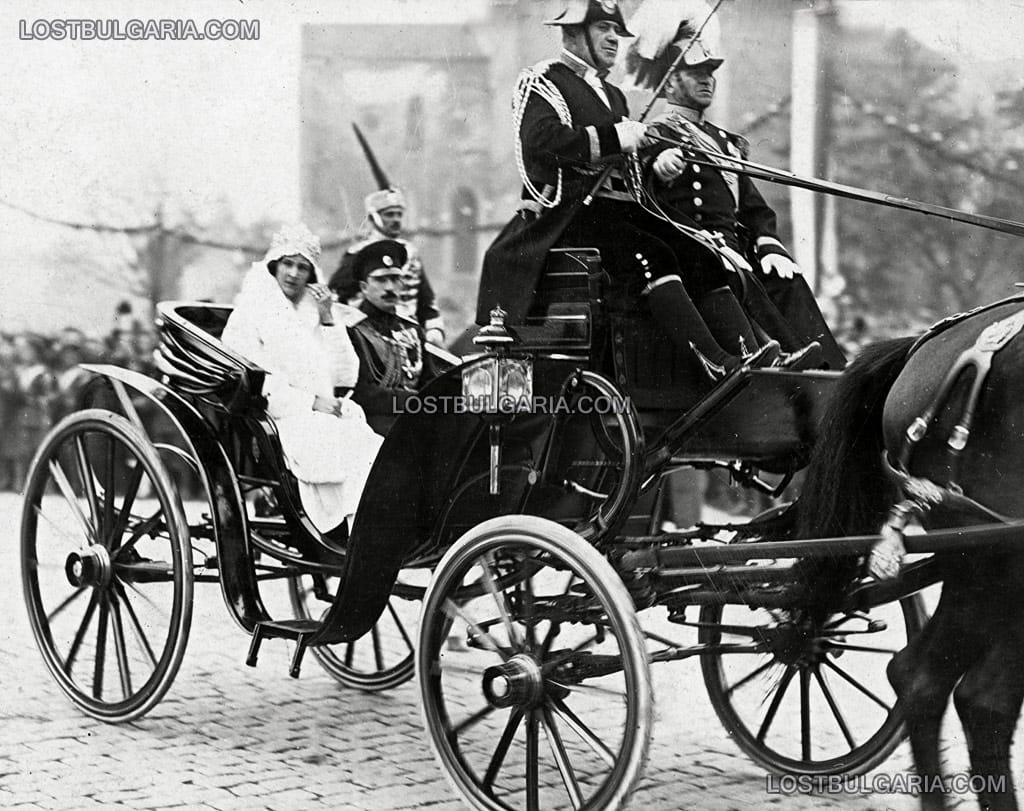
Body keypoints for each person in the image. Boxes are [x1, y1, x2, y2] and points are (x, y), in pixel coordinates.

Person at [477, 0, 804, 389]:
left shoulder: (613, 96)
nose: (614, 39)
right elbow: (540, 142)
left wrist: (657, 154)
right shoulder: (544, 82)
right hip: (567, 220)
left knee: (701, 253)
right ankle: (715, 362)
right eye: (603, 29)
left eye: (616, 31)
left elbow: (630, 152)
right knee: (652, 255)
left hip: (617, 216)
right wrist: (615, 136)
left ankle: (753, 353)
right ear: (573, 34)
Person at [626, 6, 845, 368]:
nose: (706, 78)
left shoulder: (727, 144)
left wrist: (768, 245)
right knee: (741, 277)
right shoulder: (656, 134)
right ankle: (786, 358)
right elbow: (649, 189)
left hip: (739, 249)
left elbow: (756, 210)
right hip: (699, 252)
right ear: (668, 83)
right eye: (694, 71)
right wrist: (659, 167)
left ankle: (833, 372)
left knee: (786, 277)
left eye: (709, 71)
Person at [221, 224, 383, 535]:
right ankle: (355, 535)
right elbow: (253, 378)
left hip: (326, 412)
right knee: (338, 445)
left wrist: (327, 318)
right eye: (288, 264)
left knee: (373, 448)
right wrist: (310, 402)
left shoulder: (314, 311)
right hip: (280, 418)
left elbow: (346, 375)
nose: (294, 274)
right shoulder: (252, 310)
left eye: (302, 267)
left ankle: (369, 535)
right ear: (274, 265)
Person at [329, 187, 446, 346]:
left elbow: (426, 299)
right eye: (389, 214)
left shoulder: (410, 252)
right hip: (371, 333)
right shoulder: (357, 254)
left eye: (399, 214)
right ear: (373, 217)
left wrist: (434, 330)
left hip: (410, 332)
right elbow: (338, 298)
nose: (396, 220)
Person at [347, 239, 441, 435]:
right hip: (373, 424)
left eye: (395, 279)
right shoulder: (353, 330)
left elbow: (430, 381)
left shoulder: (412, 329)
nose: (389, 287)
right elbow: (361, 392)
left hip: (417, 418)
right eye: (381, 280)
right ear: (364, 287)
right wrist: (413, 401)